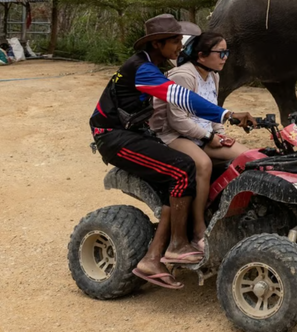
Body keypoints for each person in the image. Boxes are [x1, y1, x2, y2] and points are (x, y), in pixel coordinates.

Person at [89, 14, 255, 289]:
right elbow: (180, 98)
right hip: (113, 136)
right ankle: (178, 245)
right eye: (175, 41)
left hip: (136, 133)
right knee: (182, 168)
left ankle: (152, 258)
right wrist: (227, 114)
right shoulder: (141, 69)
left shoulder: (150, 66)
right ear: (157, 44)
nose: (180, 46)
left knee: (174, 177)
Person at [150, 32, 248, 252]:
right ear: (201, 55)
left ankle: (227, 212)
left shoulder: (213, 75)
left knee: (247, 157)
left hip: (203, 134)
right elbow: (177, 120)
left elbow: (212, 110)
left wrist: (220, 133)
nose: (225, 57)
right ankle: (198, 229)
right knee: (203, 164)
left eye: (227, 52)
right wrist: (209, 138)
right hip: (175, 135)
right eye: (221, 53)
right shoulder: (183, 76)